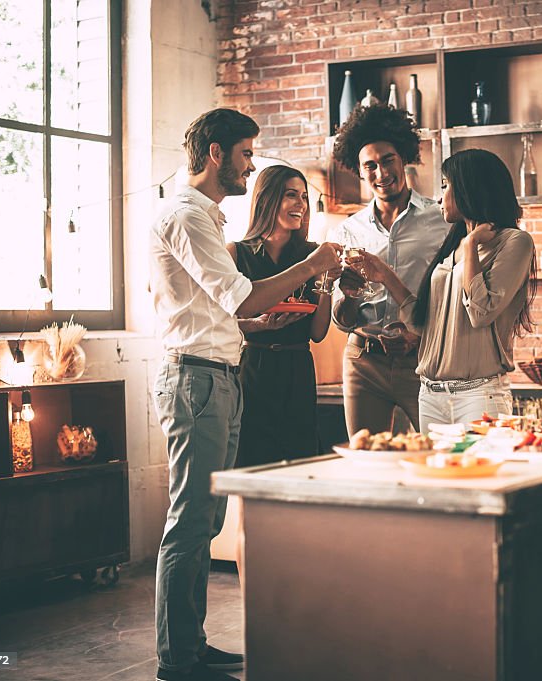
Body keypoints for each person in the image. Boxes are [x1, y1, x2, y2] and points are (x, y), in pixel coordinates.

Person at [149, 108, 341, 681]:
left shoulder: (202, 216)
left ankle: (191, 643)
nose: (250, 164)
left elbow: (226, 312)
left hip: (221, 374)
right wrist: (313, 264)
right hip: (197, 380)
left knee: (207, 522)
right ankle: (176, 658)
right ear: (216, 154)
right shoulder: (186, 215)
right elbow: (241, 298)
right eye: (245, 154)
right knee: (189, 520)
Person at [351, 149, 536, 431]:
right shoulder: (453, 247)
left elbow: (481, 312)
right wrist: (386, 276)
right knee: (435, 474)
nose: (440, 197)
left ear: (470, 187)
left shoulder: (514, 242)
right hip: (430, 395)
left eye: (446, 186)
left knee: (479, 473)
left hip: (478, 395)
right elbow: (425, 323)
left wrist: (472, 244)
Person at [329, 104, 450, 435]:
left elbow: (451, 297)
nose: (380, 173)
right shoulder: (347, 232)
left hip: (423, 361)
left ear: (403, 159)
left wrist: (418, 335)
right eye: (370, 165)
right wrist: (350, 295)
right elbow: (340, 320)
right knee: (366, 460)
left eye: (387, 161)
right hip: (363, 362)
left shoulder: (441, 221)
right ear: (358, 170)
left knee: (436, 455)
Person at [227, 165, 340, 466]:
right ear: (267, 198)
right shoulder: (236, 254)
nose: (301, 205)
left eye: (303, 197)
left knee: (302, 458)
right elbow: (221, 323)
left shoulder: (313, 254)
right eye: (291, 195)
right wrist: (258, 325)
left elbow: (317, 332)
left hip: (298, 368)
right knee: (250, 459)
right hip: (252, 369)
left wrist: (327, 280)